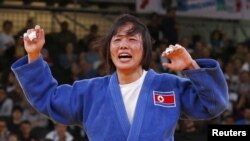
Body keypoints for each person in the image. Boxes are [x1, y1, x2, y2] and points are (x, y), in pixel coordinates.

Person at [11, 14, 228, 141]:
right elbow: (49, 98)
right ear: (109, 50)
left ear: (145, 50)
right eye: (117, 39)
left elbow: (213, 104)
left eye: (132, 39)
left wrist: (191, 67)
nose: (124, 44)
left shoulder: (168, 86)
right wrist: (34, 54)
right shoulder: (90, 92)